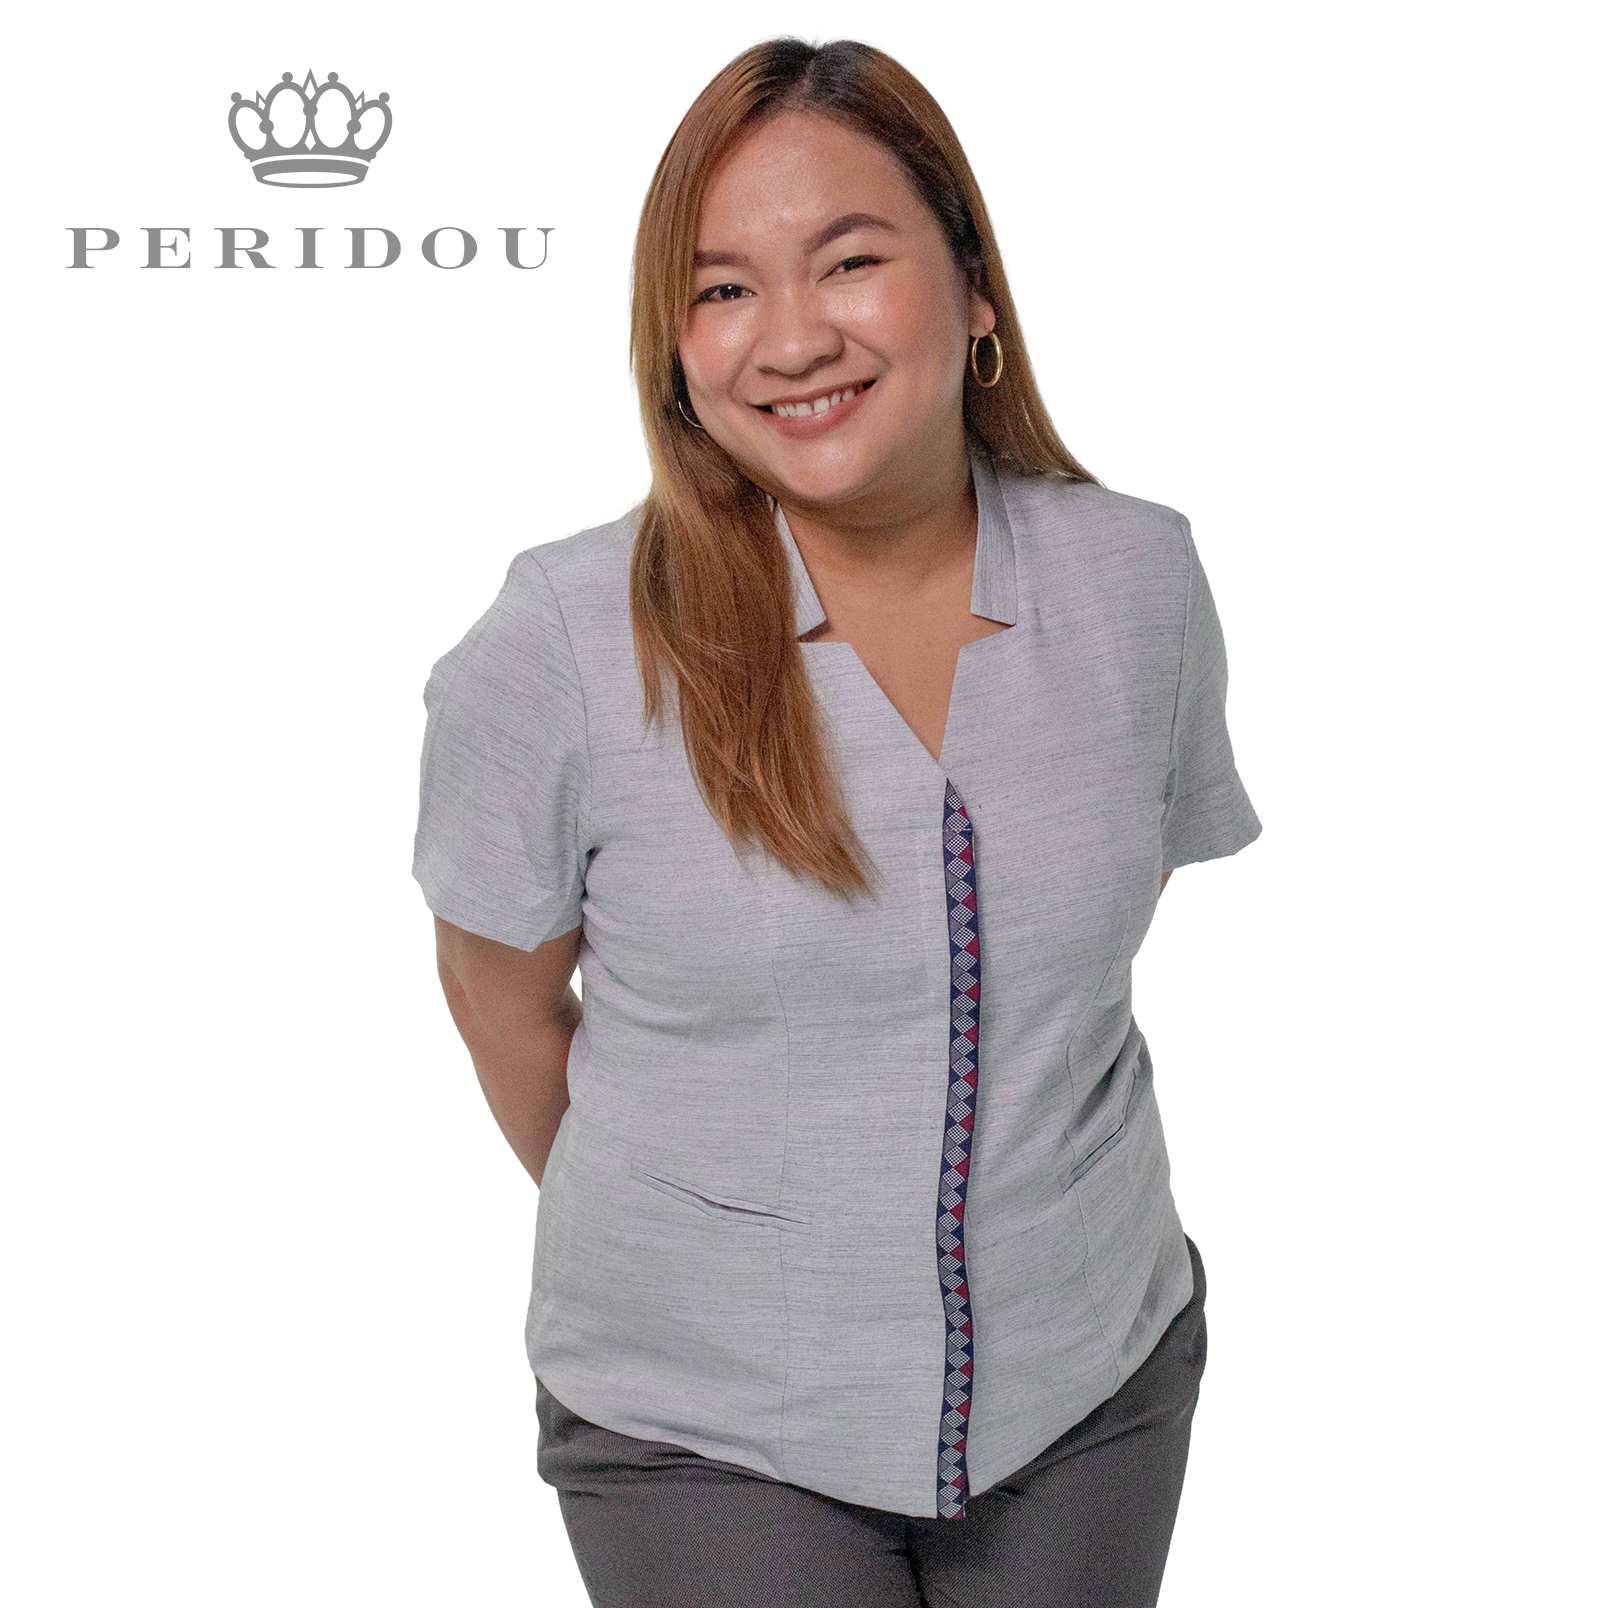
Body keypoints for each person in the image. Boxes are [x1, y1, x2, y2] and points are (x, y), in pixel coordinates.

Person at [411, 34, 1260, 1608]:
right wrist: (717, 1245)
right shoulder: (562, 641)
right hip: (703, 1420)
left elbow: (1082, 952)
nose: (793, 336)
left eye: (851, 261)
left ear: (975, 285)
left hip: (1095, 1382)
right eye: (724, 288)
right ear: (674, 347)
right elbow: (502, 1004)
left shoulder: (1140, 581)